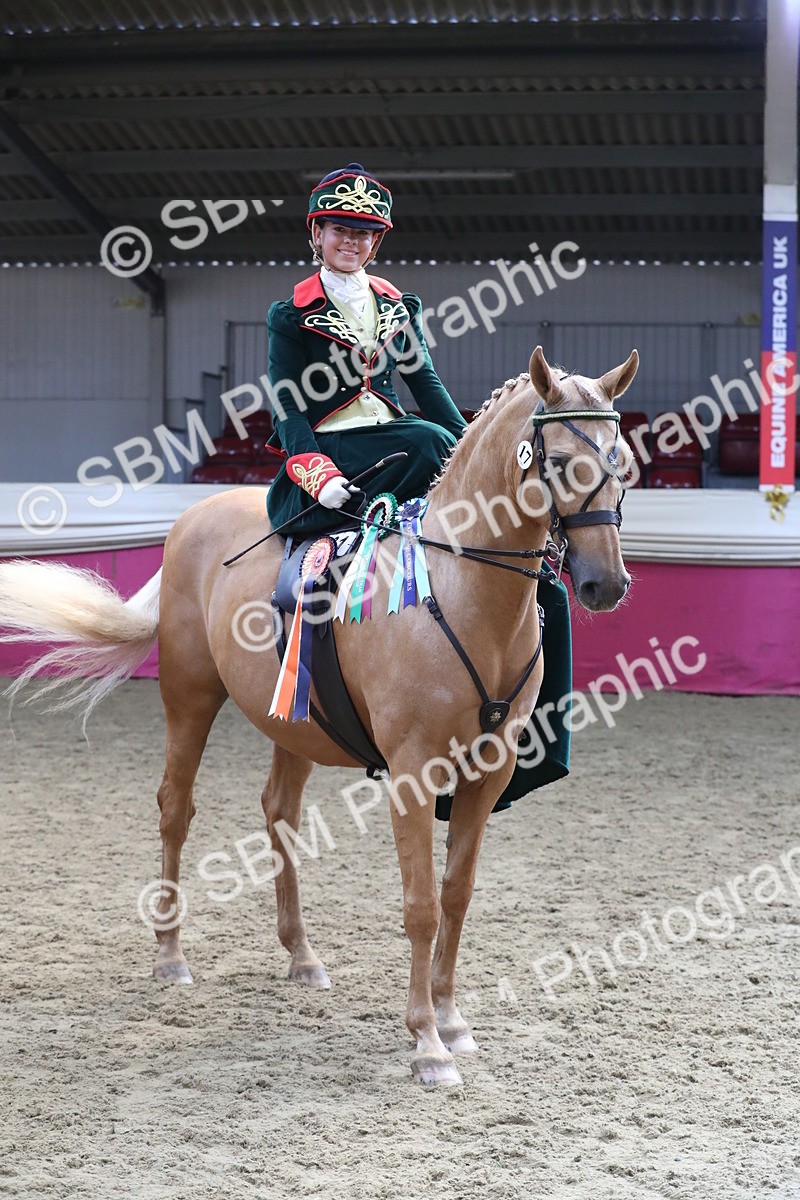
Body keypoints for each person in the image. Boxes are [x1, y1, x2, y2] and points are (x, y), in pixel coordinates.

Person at [265, 162, 467, 535]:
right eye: (339, 230)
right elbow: (286, 403)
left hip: (393, 439)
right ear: (317, 233)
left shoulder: (400, 306)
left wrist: (470, 444)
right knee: (429, 440)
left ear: (375, 242)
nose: (350, 241)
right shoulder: (290, 314)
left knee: (441, 444)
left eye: (362, 233)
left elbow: (425, 382)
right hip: (336, 443)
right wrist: (317, 473)